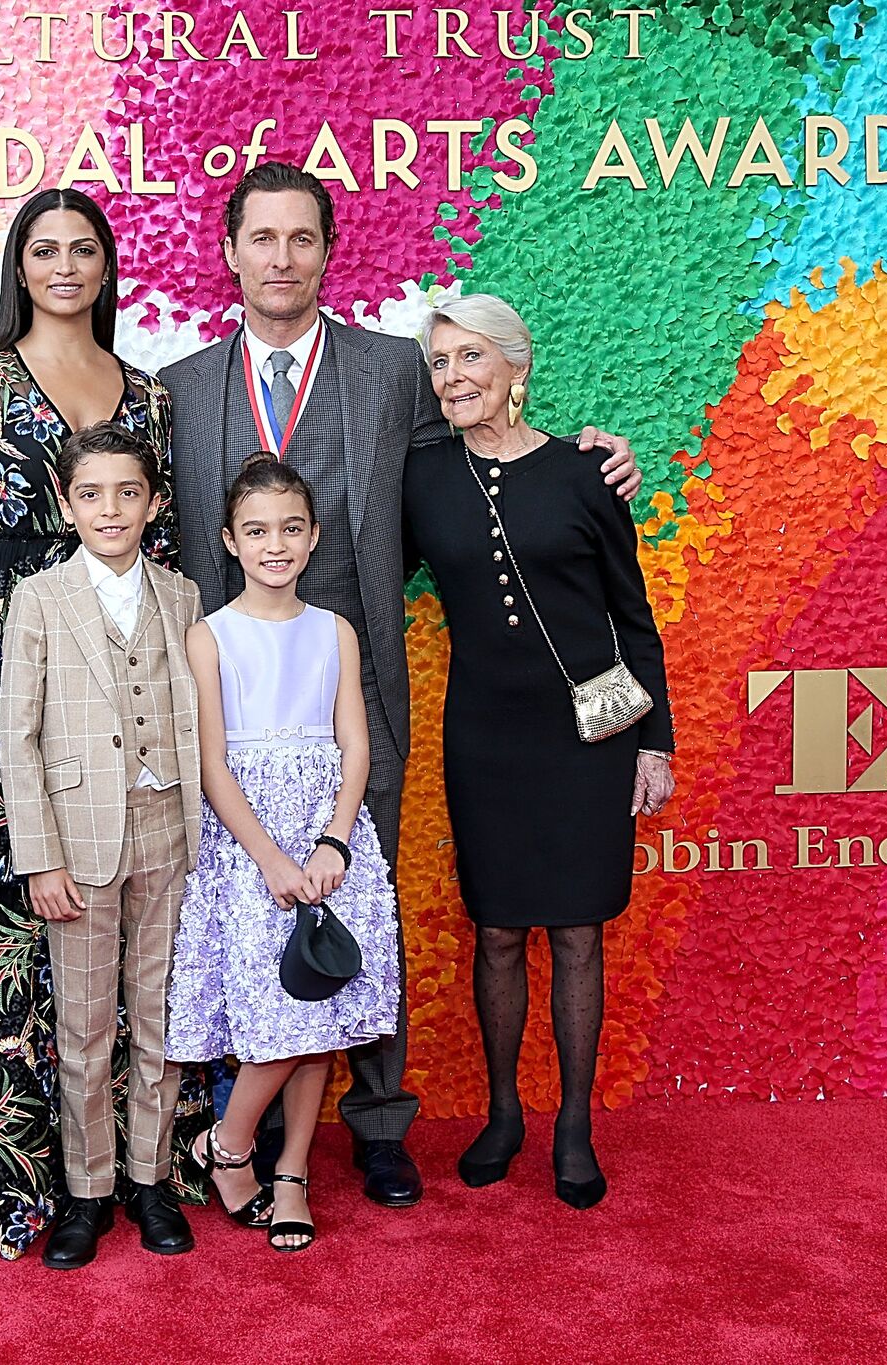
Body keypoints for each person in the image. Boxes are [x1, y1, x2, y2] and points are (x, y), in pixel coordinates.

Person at [158, 161, 642, 1205]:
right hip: (230, 698)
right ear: (229, 252)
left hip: (356, 689)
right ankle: (225, 1121)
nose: (280, 257)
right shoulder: (182, 389)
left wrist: (591, 457)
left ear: (326, 252)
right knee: (239, 905)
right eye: (261, 238)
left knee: (357, 901)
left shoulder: (390, 373)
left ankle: (377, 1125)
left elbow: (486, 452)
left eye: (301, 238)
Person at [0, 188, 209, 1257]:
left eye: (81, 249)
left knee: (152, 976)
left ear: (105, 266)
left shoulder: (143, 390)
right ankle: (36, 1174)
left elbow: (170, 537)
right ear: (19, 264)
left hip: (134, 699)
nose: (62, 266)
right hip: (22, 690)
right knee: (39, 953)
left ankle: (151, 1172)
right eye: (42, 249)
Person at [405, 292, 675, 1209]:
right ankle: (504, 1112)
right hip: (485, 738)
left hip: (588, 739)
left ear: (516, 367)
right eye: (440, 363)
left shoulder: (588, 473)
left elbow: (634, 618)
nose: (454, 378)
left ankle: (573, 1125)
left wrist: (657, 744)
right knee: (496, 932)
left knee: (577, 932)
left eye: (470, 357)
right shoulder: (422, 477)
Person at [169, 454, 403, 1253]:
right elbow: (210, 765)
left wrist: (335, 838)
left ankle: (293, 1170)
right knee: (281, 1017)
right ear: (230, 541)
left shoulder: (333, 629)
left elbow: (355, 745)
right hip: (247, 847)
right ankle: (229, 1147)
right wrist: (271, 857)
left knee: (324, 1005)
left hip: (331, 842)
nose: (276, 544)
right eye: (258, 530)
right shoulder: (208, 636)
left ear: (313, 539)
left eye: (291, 529)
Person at [0, 423, 206, 1269]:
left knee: (157, 1015)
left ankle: (150, 1181)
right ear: (65, 504)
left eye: (128, 492)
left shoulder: (184, 595)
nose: (111, 508)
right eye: (91, 494)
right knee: (85, 1027)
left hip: (168, 829)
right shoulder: (40, 600)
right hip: (78, 845)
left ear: (154, 502)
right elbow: (18, 736)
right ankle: (86, 1191)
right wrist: (38, 855)